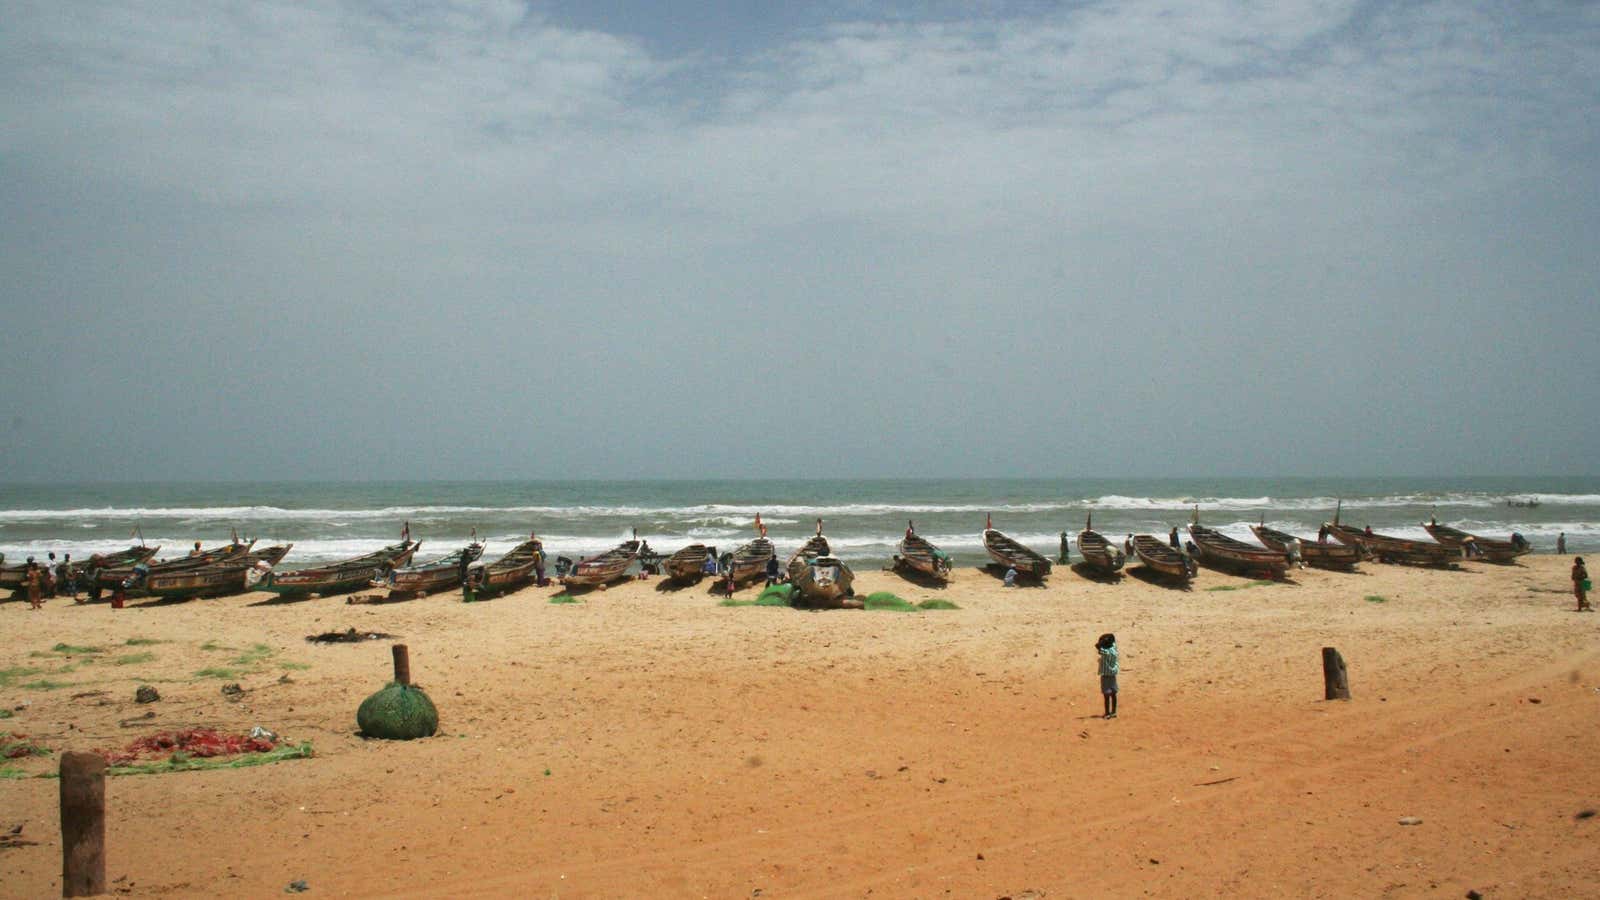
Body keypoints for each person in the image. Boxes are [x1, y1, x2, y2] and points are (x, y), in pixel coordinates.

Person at [1096, 633, 1119, 719]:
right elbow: (1112, 642)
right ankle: (1114, 712)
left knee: (1106, 695)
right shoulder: (1114, 648)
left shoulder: (1105, 652)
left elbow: (1097, 646)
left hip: (1105, 675)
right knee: (1113, 694)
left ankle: (1107, 713)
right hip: (1113, 674)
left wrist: (1101, 642)